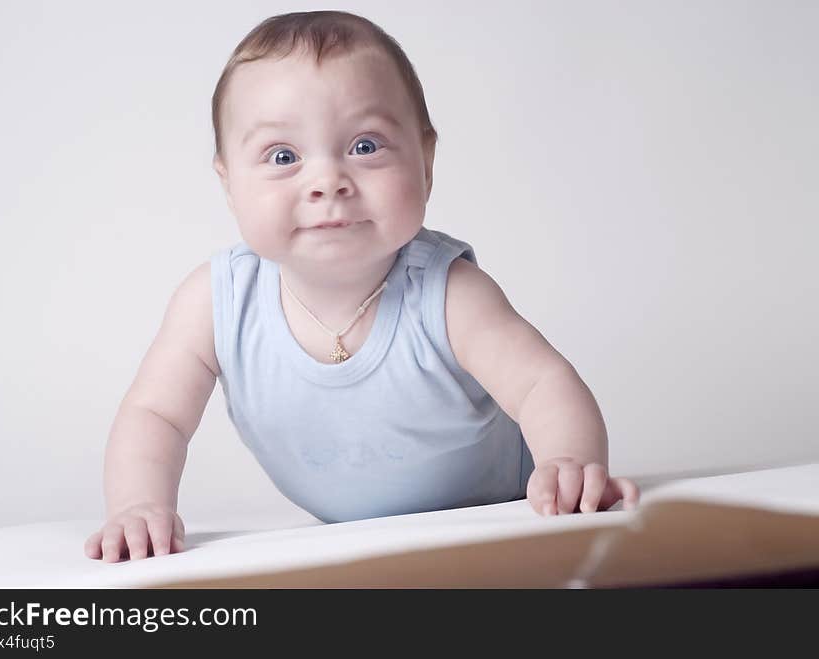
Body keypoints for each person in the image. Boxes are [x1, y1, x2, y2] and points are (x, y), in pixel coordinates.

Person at [85, 10, 639, 563]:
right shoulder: (216, 301)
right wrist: (138, 505)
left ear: (425, 162)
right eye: (284, 157)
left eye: (366, 146)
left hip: (501, 519)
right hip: (360, 550)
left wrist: (567, 461)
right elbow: (156, 415)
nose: (328, 182)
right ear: (229, 184)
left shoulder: (447, 293)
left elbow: (543, 384)